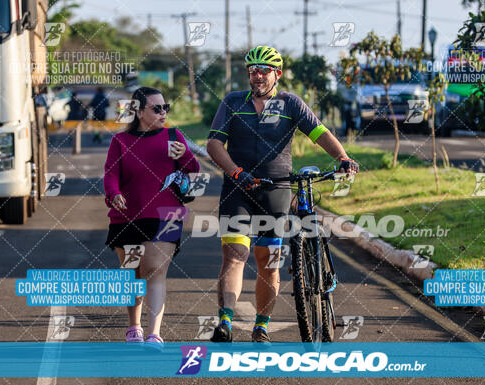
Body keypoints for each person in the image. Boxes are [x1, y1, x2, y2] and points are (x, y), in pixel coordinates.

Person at [206, 45, 359, 343]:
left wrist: (342, 157)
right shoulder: (233, 102)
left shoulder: (291, 104)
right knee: (235, 255)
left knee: (269, 261)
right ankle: (225, 322)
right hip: (239, 188)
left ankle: (261, 326)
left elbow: (319, 133)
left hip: (275, 190)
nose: (258, 76)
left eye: (264, 71)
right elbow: (214, 144)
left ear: (278, 73)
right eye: (253, 71)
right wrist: (237, 172)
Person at [104, 86, 200, 345]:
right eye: (156, 108)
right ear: (138, 112)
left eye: (165, 107)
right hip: (127, 216)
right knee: (132, 272)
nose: (162, 112)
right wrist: (114, 194)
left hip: (167, 214)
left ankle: (154, 333)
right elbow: (111, 174)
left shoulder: (173, 135)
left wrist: (186, 155)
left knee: (155, 268)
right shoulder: (120, 142)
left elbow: (193, 169)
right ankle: (133, 326)